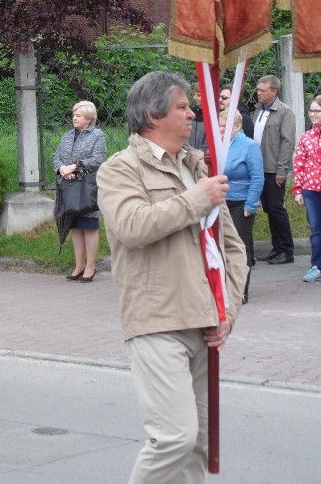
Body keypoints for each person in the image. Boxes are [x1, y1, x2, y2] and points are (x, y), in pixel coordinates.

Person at [96, 71, 248, 483]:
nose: (193, 113)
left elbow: (232, 250)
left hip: (205, 321)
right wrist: (197, 199)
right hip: (157, 320)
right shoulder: (119, 170)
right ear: (153, 114)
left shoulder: (198, 168)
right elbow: (133, 226)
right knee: (174, 439)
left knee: (197, 445)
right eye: (183, 106)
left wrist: (228, 310)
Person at [52, 100, 107, 282]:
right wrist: (62, 169)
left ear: (89, 118)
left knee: (89, 226)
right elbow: (56, 155)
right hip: (69, 187)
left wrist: (74, 167)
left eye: (78, 115)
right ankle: (79, 266)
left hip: (87, 187)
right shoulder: (68, 135)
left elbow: (98, 159)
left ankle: (91, 266)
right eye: (73, 115)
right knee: (75, 228)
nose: (74, 118)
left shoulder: (97, 135)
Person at [220, 110, 263, 303]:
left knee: (240, 246)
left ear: (238, 127)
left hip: (241, 202)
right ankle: (223, 287)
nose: (221, 130)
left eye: (225, 126)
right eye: (220, 126)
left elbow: (257, 177)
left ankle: (240, 289)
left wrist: (251, 204)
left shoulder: (249, 146)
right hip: (221, 202)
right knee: (221, 246)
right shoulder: (219, 144)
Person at [253, 75, 296, 264]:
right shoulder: (259, 110)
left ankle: (286, 250)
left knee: (276, 208)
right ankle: (276, 247)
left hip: (273, 168)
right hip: (260, 167)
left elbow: (287, 142)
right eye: (258, 90)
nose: (258, 93)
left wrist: (282, 169)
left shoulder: (284, 112)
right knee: (269, 209)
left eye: (262, 90)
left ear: (274, 91)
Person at [293, 96, 321, 283]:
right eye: (310, 111)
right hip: (311, 189)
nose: (312, 114)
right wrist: (298, 190)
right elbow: (299, 163)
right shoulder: (306, 137)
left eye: (316, 111)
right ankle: (316, 266)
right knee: (316, 228)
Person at [188, 83, 208, 151]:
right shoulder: (191, 112)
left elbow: (208, 141)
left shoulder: (212, 115)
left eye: (198, 95)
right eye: (194, 94)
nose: (195, 98)